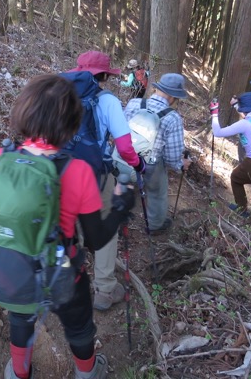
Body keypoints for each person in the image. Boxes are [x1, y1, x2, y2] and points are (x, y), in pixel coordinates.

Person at [0, 74, 136, 379]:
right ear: (72, 124)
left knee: (20, 317)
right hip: (61, 274)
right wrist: (120, 207)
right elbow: (95, 239)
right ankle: (87, 372)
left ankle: (19, 373)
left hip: (11, 267)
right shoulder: (78, 171)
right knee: (78, 326)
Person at [65, 51, 146, 311]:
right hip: (94, 174)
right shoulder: (108, 101)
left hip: (60, 170)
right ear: (105, 76)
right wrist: (138, 164)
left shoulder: (61, 93)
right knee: (106, 229)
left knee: (69, 226)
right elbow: (124, 146)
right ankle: (104, 290)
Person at [123, 73, 191, 235]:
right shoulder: (173, 118)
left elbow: (121, 131)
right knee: (157, 192)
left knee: (122, 185)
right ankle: (154, 225)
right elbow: (171, 157)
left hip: (124, 157)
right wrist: (182, 165)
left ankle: (120, 218)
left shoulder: (134, 103)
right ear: (173, 96)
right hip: (149, 165)